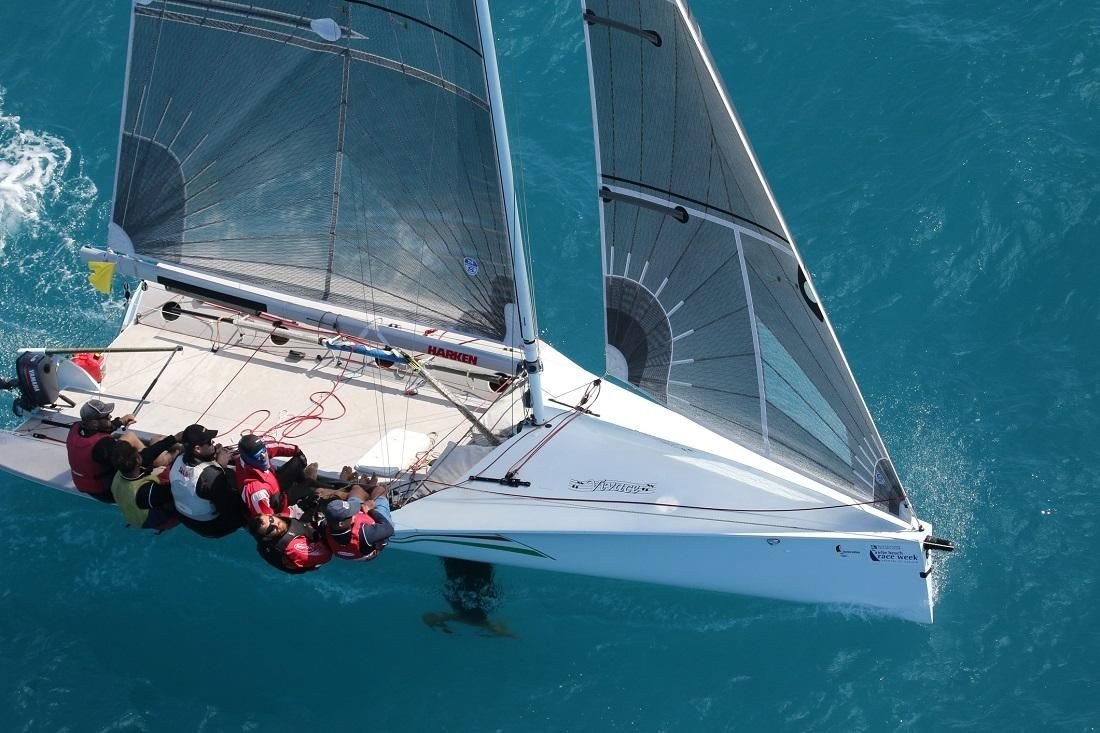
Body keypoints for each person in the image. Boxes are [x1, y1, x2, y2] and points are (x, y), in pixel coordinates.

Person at [66, 398, 169, 502]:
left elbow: (100, 429)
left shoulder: (76, 427)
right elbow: (138, 461)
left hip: (83, 484)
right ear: (94, 423)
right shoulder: (104, 446)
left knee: (128, 436)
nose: (110, 417)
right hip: (105, 492)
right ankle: (164, 459)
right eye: (106, 417)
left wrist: (120, 421)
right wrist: (163, 442)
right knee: (147, 448)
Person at [168, 424, 243, 538]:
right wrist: (222, 467)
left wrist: (212, 458)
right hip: (210, 527)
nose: (213, 443)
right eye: (209, 442)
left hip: (183, 516)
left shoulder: (179, 458)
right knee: (239, 493)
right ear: (197, 449)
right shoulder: (211, 476)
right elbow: (226, 505)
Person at [235, 434, 318, 518]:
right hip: (278, 504)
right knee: (312, 489)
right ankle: (306, 484)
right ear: (247, 459)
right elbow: (267, 520)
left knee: (299, 460)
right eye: (258, 456)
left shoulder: (256, 453)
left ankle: (303, 481)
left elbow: (275, 446)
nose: (264, 456)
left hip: (275, 486)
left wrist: (297, 450)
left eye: (263, 451)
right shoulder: (256, 492)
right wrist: (290, 513)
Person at [320, 472, 394, 561]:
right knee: (380, 490)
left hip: (346, 552)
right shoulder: (367, 533)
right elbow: (389, 529)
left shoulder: (324, 527)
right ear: (341, 523)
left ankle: (366, 486)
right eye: (350, 514)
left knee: (356, 489)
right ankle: (373, 488)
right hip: (366, 553)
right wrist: (370, 510)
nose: (354, 515)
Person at [110, 440, 179, 532]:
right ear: (138, 460)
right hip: (147, 520)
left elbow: (148, 454)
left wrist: (173, 439)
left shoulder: (120, 473)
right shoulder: (146, 491)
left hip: (133, 515)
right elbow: (176, 491)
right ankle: (166, 523)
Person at [248, 513, 332, 574]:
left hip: (305, 531)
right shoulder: (292, 547)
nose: (276, 524)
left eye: (271, 519)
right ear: (267, 537)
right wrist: (322, 529)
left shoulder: (278, 519)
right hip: (313, 554)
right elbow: (325, 555)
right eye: (270, 529)